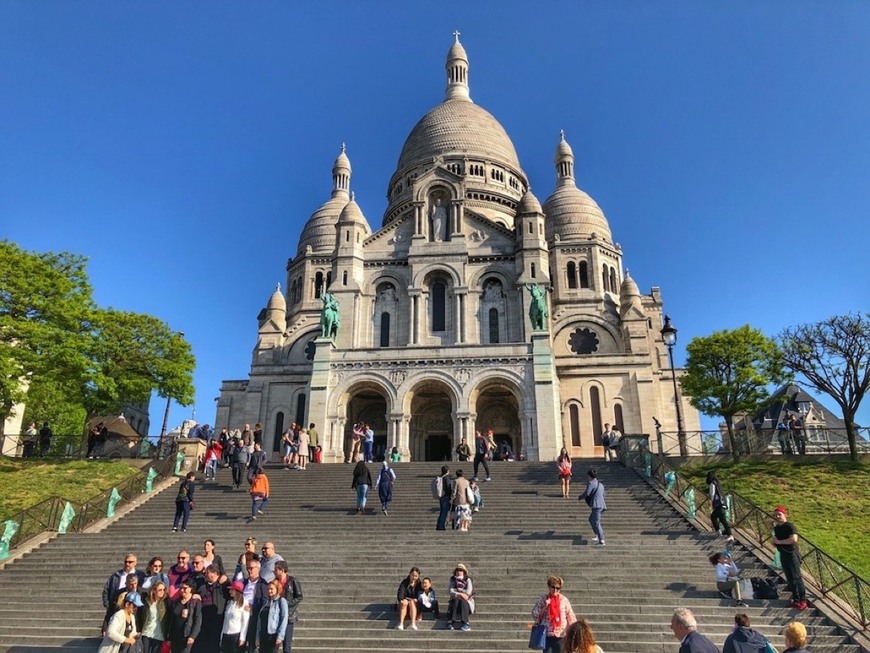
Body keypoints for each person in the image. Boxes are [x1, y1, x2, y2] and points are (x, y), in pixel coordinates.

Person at [772, 505, 808, 610]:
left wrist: (780, 542)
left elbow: (794, 539)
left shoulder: (789, 526)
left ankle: (803, 600)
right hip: (783, 554)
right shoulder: (776, 528)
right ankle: (796, 600)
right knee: (790, 578)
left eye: (779, 514)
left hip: (792, 554)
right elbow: (776, 542)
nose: (777, 516)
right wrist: (775, 542)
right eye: (775, 515)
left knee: (797, 577)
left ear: (785, 515)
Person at [102, 554, 146, 635]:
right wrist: (105, 626)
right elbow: (110, 608)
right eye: (126, 562)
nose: (127, 564)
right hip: (121, 622)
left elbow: (144, 612)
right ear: (126, 583)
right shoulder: (117, 581)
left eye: (130, 562)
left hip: (136, 625)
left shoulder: (143, 593)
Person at [531, 575, 577, 653]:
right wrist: (545, 606)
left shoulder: (564, 600)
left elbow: (570, 615)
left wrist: (574, 629)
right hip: (547, 634)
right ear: (549, 587)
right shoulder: (542, 599)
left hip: (561, 634)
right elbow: (535, 615)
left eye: (558, 588)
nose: (555, 590)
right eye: (553, 587)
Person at [192, 565, 227, 653]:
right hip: (204, 618)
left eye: (207, 573)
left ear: (215, 573)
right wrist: (196, 595)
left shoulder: (222, 585)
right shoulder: (203, 585)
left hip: (217, 618)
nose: (205, 575)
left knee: (214, 644)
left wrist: (225, 580)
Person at [273, 560, 303, 653]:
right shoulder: (274, 581)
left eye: (275, 569)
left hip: (289, 616)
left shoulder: (293, 581)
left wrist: (287, 604)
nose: (273, 571)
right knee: (274, 644)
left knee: (287, 645)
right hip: (276, 615)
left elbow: (299, 597)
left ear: (281, 570)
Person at [169, 580, 202, 653]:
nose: (182, 590)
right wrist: (169, 637)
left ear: (191, 589)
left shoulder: (195, 602)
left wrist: (192, 636)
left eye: (185, 588)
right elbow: (171, 620)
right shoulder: (176, 602)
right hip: (175, 637)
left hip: (186, 636)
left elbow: (197, 620)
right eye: (181, 588)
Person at [257, 580, 288, 653]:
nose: (269, 591)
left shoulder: (281, 601)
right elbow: (260, 621)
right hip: (263, 635)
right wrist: (257, 637)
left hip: (273, 635)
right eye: (268, 589)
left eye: (271, 589)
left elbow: (284, 619)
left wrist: (280, 636)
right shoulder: (265, 603)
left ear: (277, 589)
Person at [140, 582, 171, 653]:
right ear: (154, 590)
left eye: (164, 590)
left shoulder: (166, 602)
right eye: (160, 590)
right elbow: (141, 616)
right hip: (146, 632)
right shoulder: (147, 601)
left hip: (159, 634)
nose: (162, 592)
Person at [221, 581, 250, 653]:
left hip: (236, 635)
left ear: (237, 591)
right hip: (226, 634)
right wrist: (222, 636)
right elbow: (225, 620)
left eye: (232, 590)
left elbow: (245, 622)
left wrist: (242, 637)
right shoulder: (229, 603)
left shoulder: (244, 603)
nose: (230, 591)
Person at [580, 469, 607, 546]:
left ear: (589, 476)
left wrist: (580, 497)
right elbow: (604, 494)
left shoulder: (591, 483)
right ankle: (597, 535)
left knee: (596, 522)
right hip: (601, 504)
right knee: (591, 519)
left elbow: (587, 493)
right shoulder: (600, 484)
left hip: (596, 505)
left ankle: (601, 540)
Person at [707, 471, 735, 543]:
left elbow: (712, 494)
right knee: (722, 519)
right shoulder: (717, 483)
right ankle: (724, 532)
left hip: (718, 505)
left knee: (715, 517)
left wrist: (711, 502)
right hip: (723, 504)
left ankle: (726, 533)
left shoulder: (712, 484)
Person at [446, 563, 475, 631]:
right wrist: (460, 594)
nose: (459, 572)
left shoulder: (468, 580)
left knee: (463, 601)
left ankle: (465, 623)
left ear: (464, 572)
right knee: (455, 600)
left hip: (466, 603)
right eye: (457, 570)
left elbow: (468, 593)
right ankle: (451, 622)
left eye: (461, 570)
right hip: (455, 601)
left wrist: (458, 591)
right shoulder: (453, 580)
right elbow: (451, 591)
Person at [435, 465, 454, 531]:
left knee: (442, 511)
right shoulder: (446, 478)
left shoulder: (441, 477)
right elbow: (448, 488)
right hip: (446, 496)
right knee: (444, 512)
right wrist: (451, 496)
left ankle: (439, 524)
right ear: (447, 471)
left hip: (441, 496)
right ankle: (441, 525)